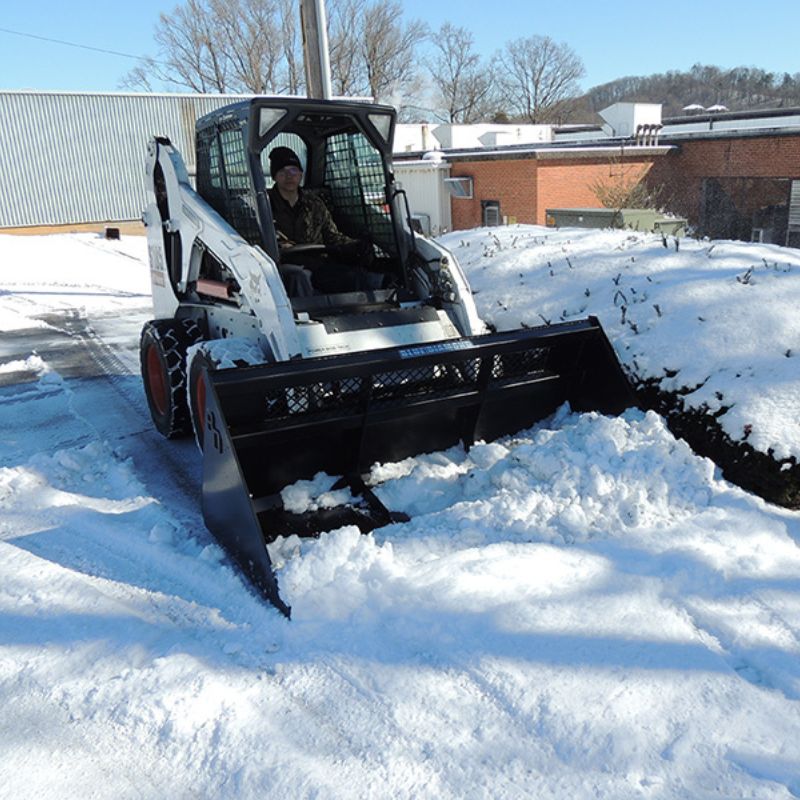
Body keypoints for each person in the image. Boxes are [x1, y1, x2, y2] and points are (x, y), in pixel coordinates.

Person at [267, 146, 375, 296]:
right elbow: (260, 242)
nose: (289, 176)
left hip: (317, 262)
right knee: (300, 277)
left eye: (293, 171)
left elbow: (332, 235)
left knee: (351, 275)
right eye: (282, 172)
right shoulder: (265, 205)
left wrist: (353, 245)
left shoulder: (315, 203)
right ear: (274, 176)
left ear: (300, 174)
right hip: (282, 265)